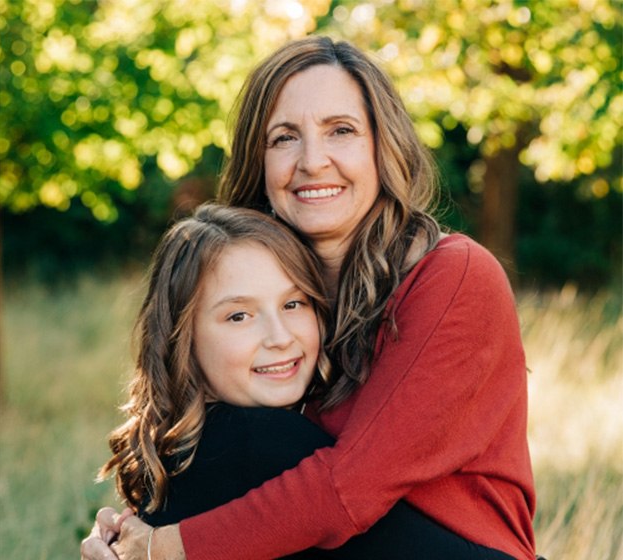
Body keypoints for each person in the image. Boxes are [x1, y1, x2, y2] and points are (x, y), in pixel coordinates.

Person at [81, 35, 537, 560]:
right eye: (284, 138)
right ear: (259, 159)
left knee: (239, 438)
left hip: (463, 552)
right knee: (208, 436)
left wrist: (166, 547)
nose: (313, 161)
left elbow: (350, 488)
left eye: (340, 131)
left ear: (381, 146)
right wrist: (126, 537)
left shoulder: (454, 275)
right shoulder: (273, 290)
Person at [87, 202, 456, 560]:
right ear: (182, 338)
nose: (279, 337)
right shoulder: (256, 439)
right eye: (239, 316)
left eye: (293, 304)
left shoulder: (173, 455)